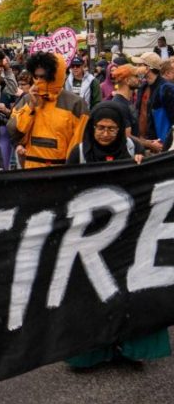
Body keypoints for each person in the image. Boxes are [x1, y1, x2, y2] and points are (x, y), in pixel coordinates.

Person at [65, 102, 170, 368]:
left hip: (127, 234)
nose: (105, 134)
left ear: (121, 130)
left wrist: (143, 167)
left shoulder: (134, 150)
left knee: (129, 291)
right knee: (93, 293)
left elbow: (149, 188)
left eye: (112, 129)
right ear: (92, 128)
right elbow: (65, 190)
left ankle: (131, 348)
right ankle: (91, 352)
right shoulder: (79, 153)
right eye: (100, 128)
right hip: (90, 236)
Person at [7, 52, 88, 169]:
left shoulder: (76, 104)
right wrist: (30, 107)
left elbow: (78, 145)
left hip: (61, 171)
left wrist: (69, 171)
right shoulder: (28, 99)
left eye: (43, 77)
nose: (38, 81)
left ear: (55, 76)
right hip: (31, 170)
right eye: (36, 77)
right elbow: (14, 132)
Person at [132, 51, 174, 153]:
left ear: (148, 68)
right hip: (143, 143)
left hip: (161, 145)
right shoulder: (143, 86)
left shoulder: (166, 88)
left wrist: (167, 143)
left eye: (139, 65)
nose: (136, 67)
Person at [111, 64, 141, 137]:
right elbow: (128, 136)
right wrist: (147, 143)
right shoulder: (119, 105)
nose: (139, 79)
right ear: (127, 80)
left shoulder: (126, 100)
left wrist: (147, 141)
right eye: (136, 76)